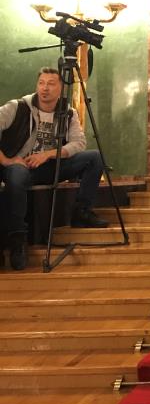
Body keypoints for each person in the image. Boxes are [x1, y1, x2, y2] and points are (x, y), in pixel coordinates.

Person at [0, 67, 108, 271]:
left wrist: (48, 154)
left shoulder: (68, 112)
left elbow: (79, 143)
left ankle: (81, 212)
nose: (45, 88)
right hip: (20, 167)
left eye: (51, 84)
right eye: (41, 83)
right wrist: (6, 160)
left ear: (61, 88)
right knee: (16, 175)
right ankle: (18, 240)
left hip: (50, 166)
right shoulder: (18, 107)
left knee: (94, 157)